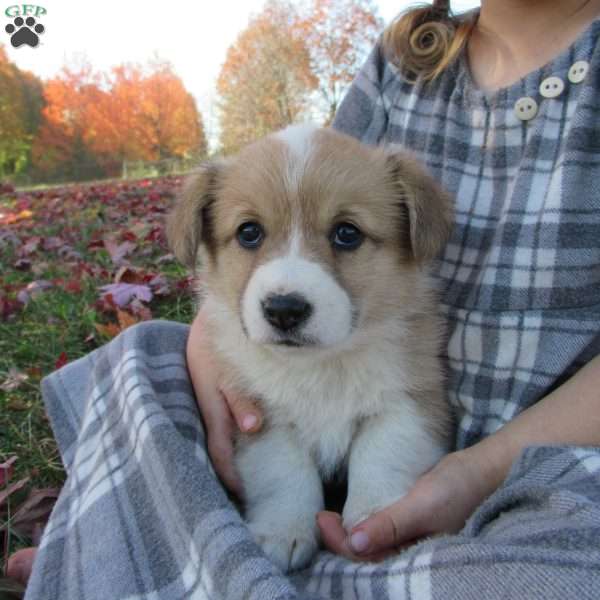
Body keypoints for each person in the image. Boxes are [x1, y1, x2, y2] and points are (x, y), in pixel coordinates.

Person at [18, 0, 600, 597]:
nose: (288, 287)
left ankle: (171, 549)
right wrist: (209, 348)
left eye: (345, 235)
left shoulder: (405, 335)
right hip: (266, 399)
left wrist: (392, 488)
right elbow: (321, 157)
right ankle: (119, 537)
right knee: (141, 367)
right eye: (250, 234)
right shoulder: (407, 57)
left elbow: (406, 412)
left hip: (554, 451)